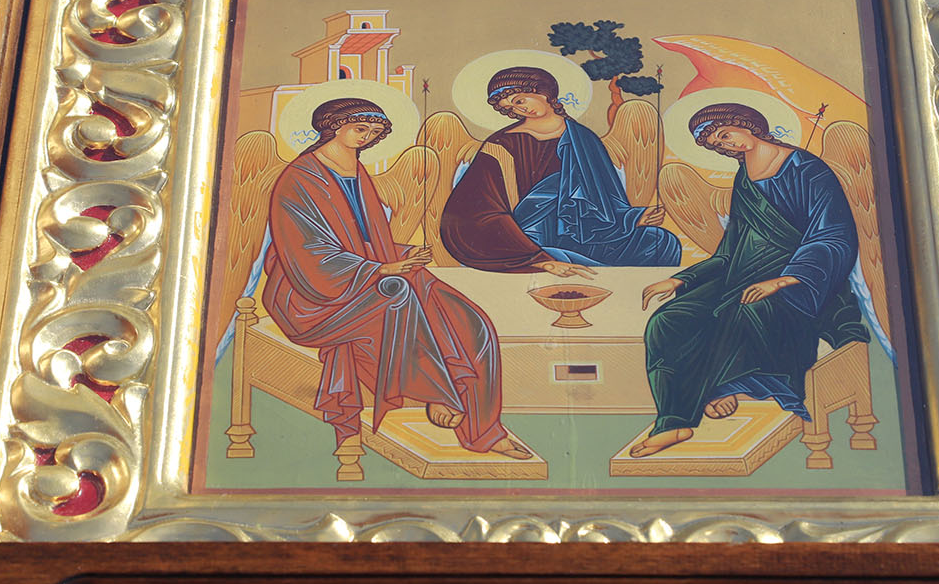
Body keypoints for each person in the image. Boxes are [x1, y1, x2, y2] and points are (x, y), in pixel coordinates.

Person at [262, 96, 531, 459]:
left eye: (374, 133)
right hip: (310, 294)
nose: (366, 138)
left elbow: (361, 239)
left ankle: (484, 429)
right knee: (398, 292)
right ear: (334, 127)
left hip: (364, 273)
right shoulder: (300, 178)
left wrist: (400, 255)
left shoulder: (355, 169)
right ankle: (440, 394)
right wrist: (379, 269)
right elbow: (306, 250)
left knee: (468, 318)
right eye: (360, 129)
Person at [631, 102, 865, 457]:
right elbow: (731, 247)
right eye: (717, 144)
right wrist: (682, 280)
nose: (725, 146)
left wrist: (785, 280)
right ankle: (674, 421)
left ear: (747, 125)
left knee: (745, 311)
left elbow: (833, 233)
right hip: (740, 272)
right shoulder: (744, 177)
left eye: (725, 135)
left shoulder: (806, 169)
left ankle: (725, 388)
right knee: (668, 320)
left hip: (802, 277)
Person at [440, 65, 681, 276]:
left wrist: (633, 218)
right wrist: (538, 257)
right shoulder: (501, 144)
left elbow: (605, 198)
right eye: (510, 108)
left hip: (586, 233)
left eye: (520, 100)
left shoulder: (583, 137)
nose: (519, 110)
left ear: (542, 92)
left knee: (660, 243)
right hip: (530, 239)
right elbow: (474, 210)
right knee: (561, 259)